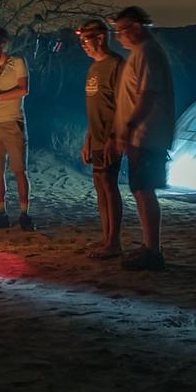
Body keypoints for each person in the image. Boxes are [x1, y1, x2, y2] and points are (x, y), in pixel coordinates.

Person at [110, 5, 175, 271]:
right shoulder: (139, 54)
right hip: (142, 135)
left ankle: (153, 250)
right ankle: (149, 245)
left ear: (136, 28)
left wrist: (128, 128)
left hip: (147, 135)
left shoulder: (147, 52)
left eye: (121, 30)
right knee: (140, 189)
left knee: (144, 189)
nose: (118, 37)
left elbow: (147, 95)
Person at [75, 18, 124, 258]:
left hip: (111, 138)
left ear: (101, 38)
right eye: (81, 39)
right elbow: (94, 107)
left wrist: (114, 138)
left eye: (86, 39)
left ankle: (114, 242)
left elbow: (122, 107)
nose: (83, 44)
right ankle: (106, 239)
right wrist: (87, 140)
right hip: (96, 138)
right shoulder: (93, 68)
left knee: (108, 184)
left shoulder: (116, 65)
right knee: (99, 186)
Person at [0, 26, 33, 230]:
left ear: (5, 43)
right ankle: (0, 213)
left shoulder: (17, 62)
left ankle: (25, 214)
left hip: (13, 122)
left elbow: (24, 89)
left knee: (19, 170)